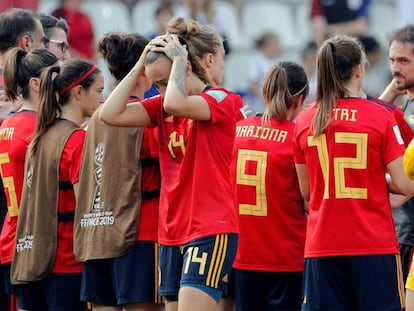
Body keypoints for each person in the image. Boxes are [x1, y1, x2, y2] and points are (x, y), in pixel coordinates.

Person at [99, 17, 243, 311]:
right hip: (171, 230)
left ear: (185, 68)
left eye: (164, 83)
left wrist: (177, 62)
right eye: (156, 85)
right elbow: (109, 115)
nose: (160, 92)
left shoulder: (221, 99)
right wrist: (141, 65)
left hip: (209, 229)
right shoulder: (163, 106)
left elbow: (176, 103)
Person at [294, 34, 414, 310]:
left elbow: (308, 192)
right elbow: (404, 185)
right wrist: (378, 182)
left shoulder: (304, 119)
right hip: (373, 244)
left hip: (322, 245)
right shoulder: (380, 116)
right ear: (359, 69)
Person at [74, 32, 162, 311]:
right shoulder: (146, 119)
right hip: (140, 233)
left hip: (96, 233)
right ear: (145, 70)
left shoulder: (92, 122)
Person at [10, 59, 104, 310]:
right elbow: (87, 208)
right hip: (68, 263)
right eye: (99, 91)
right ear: (78, 92)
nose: (102, 99)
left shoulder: (41, 135)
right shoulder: (77, 140)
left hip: (34, 260)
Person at [231, 61, 308, 310]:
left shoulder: (237, 130)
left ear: (264, 93)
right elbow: (309, 197)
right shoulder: (296, 136)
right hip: (287, 255)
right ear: (299, 100)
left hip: (243, 253)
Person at [0, 47, 58, 311]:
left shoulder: (8, 123)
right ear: (36, 84)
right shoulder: (35, 126)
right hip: (34, 242)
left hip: (13, 239)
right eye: (56, 76)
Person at [381, 24, 414, 311]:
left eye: (403, 61)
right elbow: (369, 118)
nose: (395, 68)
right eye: (392, 60)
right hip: (402, 228)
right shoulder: (404, 104)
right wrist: (398, 81)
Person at [246, 32, 282, 114]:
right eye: (276, 44)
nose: (279, 47)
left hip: (275, 101)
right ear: (268, 45)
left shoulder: (278, 61)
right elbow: (253, 85)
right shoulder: (256, 61)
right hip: (260, 101)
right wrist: (266, 101)